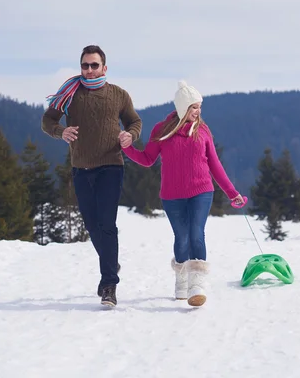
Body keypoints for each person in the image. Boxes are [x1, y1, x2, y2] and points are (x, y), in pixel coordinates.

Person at [119, 80, 246, 307]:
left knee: (197, 233)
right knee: (182, 237)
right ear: (182, 107)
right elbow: (148, 159)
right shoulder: (161, 130)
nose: (197, 112)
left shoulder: (203, 131)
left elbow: (215, 165)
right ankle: (182, 278)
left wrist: (232, 193)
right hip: (172, 195)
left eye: (199, 107)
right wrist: (127, 147)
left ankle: (197, 285)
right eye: (193, 107)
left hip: (201, 191)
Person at [41, 45, 142, 307]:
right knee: (92, 225)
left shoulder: (119, 95)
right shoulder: (70, 94)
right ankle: (111, 262)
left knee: (107, 224)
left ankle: (109, 284)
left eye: (94, 65)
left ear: (104, 68)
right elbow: (48, 120)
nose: (89, 70)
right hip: (81, 167)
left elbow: (135, 122)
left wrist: (130, 135)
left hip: (111, 165)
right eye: (85, 65)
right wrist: (59, 132)